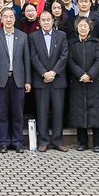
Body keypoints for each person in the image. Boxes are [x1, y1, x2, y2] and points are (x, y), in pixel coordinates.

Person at [0, 7, 31, 153]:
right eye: (5, 17)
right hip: (1, 80)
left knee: (18, 113)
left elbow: (27, 61)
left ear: (14, 19)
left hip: (18, 80)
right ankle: (3, 142)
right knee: (2, 113)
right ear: (1, 19)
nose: (8, 19)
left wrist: (28, 81)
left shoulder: (23, 36)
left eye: (10, 17)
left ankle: (17, 142)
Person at [29, 11, 69, 152]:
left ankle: (58, 140)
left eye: (48, 20)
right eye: (43, 20)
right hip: (41, 80)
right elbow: (33, 57)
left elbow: (64, 55)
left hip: (58, 80)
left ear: (53, 21)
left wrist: (53, 72)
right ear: (39, 22)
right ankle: (44, 140)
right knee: (42, 111)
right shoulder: (33, 37)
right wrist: (43, 73)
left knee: (58, 112)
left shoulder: (62, 36)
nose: (46, 22)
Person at [67, 17, 99, 151]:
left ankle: (97, 143)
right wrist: (81, 74)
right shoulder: (72, 44)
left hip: (94, 82)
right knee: (79, 111)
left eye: (85, 26)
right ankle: (82, 142)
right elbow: (70, 61)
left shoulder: (96, 43)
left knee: (96, 112)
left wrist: (90, 74)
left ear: (90, 28)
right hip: (78, 82)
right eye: (80, 26)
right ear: (77, 28)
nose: (83, 28)